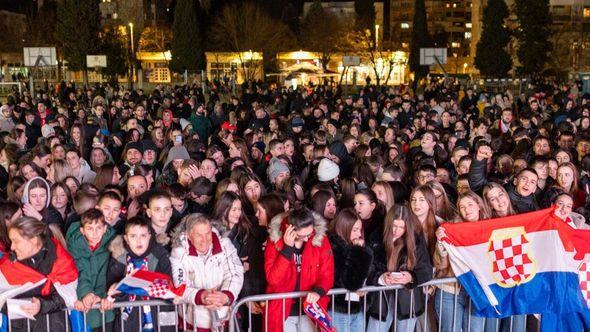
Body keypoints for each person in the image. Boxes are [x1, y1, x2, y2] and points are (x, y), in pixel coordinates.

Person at [264, 207, 334, 332]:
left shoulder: (320, 238)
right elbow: (273, 279)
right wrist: (287, 249)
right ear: (289, 229)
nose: (307, 239)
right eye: (302, 236)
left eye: (310, 234)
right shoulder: (274, 241)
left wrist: (318, 291)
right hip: (282, 310)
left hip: (309, 309)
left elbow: (327, 273)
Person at [170, 213, 244, 330]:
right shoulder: (178, 253)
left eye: (208, 234)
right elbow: (180, 286)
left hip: (224, 318)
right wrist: (202, 296)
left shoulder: (225, 245)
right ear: (188, 236)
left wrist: (226, 296)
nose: (204, 240)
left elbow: (235, 274)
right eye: (199, 235)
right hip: (193, 322)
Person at [366, 205, 433, 332]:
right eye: (394, 226)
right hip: (381, 299)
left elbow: (426, 269)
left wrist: (411, 277)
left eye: (401, 227)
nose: (397, 230)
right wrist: (380, 278)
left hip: (408, 300)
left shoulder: (416, 239)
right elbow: (368, 267)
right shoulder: (376, 236)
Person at [6, 216, 78, 331]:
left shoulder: (61, 260)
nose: (12, 247)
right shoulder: (7, 264)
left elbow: (67, 296)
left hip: (55, 326)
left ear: (33, 240)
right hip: (21, 327)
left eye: (16, 241)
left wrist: (42, 305)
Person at [106, 216, 175, 332]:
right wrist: (116, 291)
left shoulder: (160, 254)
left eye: (143, 236)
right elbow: (111, 288)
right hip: (130, 318)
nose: (139, 241)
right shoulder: (119, 256)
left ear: (149, 236)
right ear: (126, 239)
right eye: (133, 236)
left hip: (159, 314)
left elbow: (169, 284)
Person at [66, 208, 116, 331]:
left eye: (98, 228)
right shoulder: (74, 245)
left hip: (105, 302)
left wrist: (101, 296)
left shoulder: (113, 244)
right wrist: (86, 293)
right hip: (83, 301)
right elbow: (81, 271)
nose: (95, 233)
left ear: (104, 229)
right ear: (82, 231)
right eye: (90, 228)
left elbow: (108, 273)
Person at [328, 208, 373, 332]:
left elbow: (369, 272)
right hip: (338, 308)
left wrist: (365, 288)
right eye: (354, 230)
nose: (358, 234)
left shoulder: (358, 246)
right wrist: (358, 252)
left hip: (357, 306)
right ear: (344, 228)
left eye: (360, 229)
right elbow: (348, 280)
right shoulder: (333, 247)